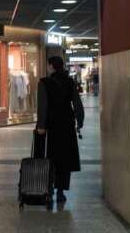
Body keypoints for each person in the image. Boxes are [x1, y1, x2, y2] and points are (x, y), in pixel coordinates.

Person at [36, 56, 85, 204]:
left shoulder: (44, 83)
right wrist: (79, 121)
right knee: (65, 157)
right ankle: (61, 192)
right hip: (67, 124)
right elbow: (77, 103)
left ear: (51, 66)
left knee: (50, 156)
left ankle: (49, 189)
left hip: (52, 125)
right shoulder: (70, 82)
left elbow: (42, 107)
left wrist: (41, 126)